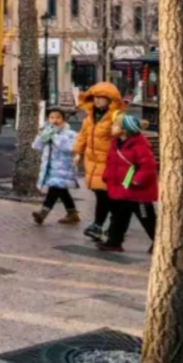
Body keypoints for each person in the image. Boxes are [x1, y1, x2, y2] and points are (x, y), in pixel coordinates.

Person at [74, 82, 126, 242]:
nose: (97, 101)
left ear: (110, 100)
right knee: (102, 194)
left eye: (101, 98)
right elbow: (83, 135)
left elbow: (124, 138)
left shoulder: (117, 117)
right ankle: (109, 226)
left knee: (106, 195)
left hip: (109, 162)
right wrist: (78, 153)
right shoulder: (89, 117)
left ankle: (100, 226)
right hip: (92, 161)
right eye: (95, 97)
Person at [100, 115, 158, 253]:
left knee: (147, 218)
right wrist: (107, 175)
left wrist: (137, 180)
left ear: (124, 130)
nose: (112, 127)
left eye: (115, 125)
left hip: (138, 190)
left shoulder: (140, 145)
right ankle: (114, 242)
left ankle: (160, 242)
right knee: (119, 216)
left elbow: (148, 166)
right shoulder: (115, 143)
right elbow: (111, 162)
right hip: (121, 187)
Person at [32, 107, 80, 226]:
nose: (55, 120)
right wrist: (41, 135)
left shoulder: (71, 134)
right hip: (50, 167)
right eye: (52, 117)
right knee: (61, 190)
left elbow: (69, 148)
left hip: (64, 167)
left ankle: (43, 213)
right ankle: (72, 213)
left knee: (55, 188)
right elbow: (36, 146)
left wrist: (54, 136)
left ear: (63, 119)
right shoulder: (47, 131)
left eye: (58, 117)